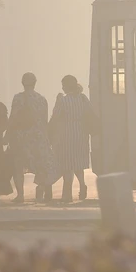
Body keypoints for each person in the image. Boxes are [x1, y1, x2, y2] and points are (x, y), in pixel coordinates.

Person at [6, 72, 58, 203]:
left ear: (22, 83)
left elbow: (13, 117)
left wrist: (7, 134)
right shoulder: (42, 99)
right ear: (35, 83)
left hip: (22, 137)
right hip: (39, 136)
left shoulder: (18, 98)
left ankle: (21, 195)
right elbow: (45, 120)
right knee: (42, 164)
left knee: (18, 165)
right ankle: (42, 188)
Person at [49, 75, 99, 203]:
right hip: (81, 133)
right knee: (77, 164)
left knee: (67, 164)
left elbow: (56, 115)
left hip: (67, 134)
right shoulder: (82, 98)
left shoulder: (63, 100)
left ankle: (67, 194)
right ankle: (82, 184)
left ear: (66, 86)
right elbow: (91, 112)